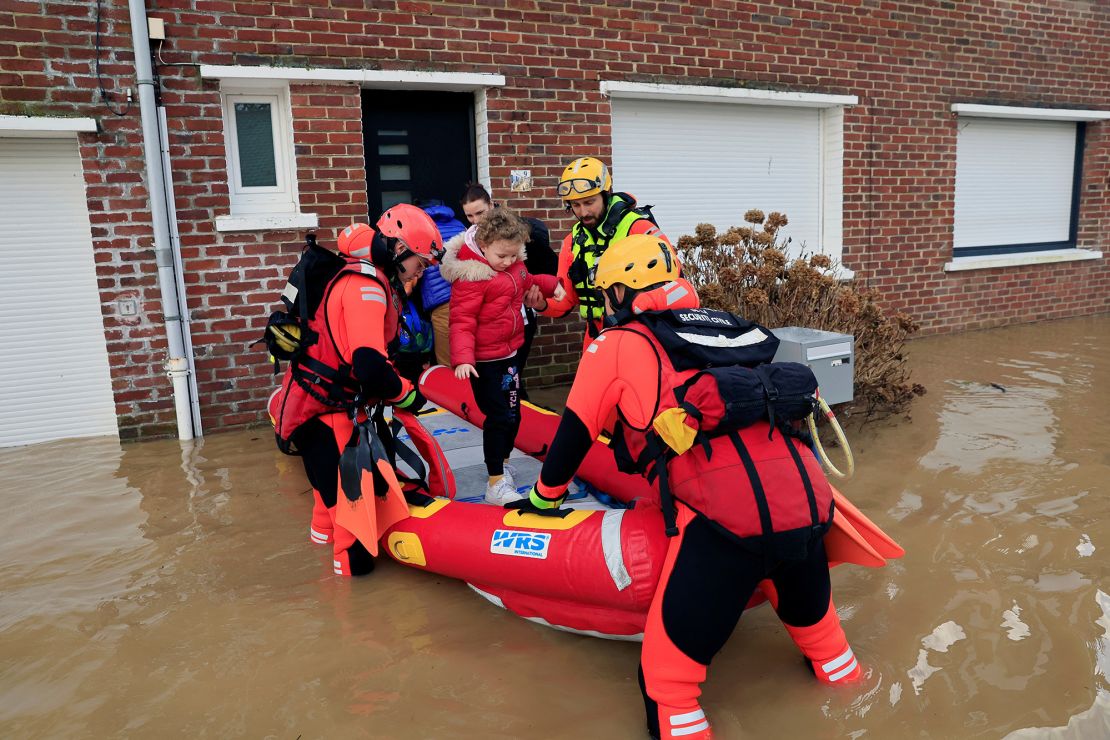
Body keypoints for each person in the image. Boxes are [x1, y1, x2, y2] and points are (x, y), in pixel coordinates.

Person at [514, 234, 861, 739]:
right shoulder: (735, 330)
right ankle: (852, 697)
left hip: (725, 524)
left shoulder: (616, 344)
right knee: (830, 651)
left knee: (667, 685)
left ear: (619, 293)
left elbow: (573, 434)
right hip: (807, 504)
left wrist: (544, 499)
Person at [270, 204, 442, 576]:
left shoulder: (357, 277)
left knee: (329, 512)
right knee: (357, 555)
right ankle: (352, 619)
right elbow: (368, 365)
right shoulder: (367, 286)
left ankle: (325, 571)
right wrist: (408, 394)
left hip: (318, 412)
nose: (423, 270)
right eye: (421, 261)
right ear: (398, 250)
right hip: (329, 420)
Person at [439, 207, 564, 504]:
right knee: (498, 417)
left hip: (508, 354)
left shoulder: (513, 267)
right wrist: (464, 358)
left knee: (513, 413)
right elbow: (462, 322)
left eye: (513, 255)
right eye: (501, 256)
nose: (507, 262)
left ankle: (503, 464)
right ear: (483, 247)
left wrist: (552, 285)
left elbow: (527, 280)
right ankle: (494, 483)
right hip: (483, 362)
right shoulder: (472, 278)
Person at [524, 156, 670, 345]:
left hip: (641, 335)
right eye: (576, 205)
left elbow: (675, 283)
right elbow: (564, 300)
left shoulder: (639, 228)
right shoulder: (572, 242)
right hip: (596, 337)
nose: (583, 212)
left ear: (606, 194)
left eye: (589, 202)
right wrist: (541, 304)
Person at [460, 182, 557, 397]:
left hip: (520, 315)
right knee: (501, 385)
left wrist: (541, 289)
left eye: (480, 213)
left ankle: (518, 416)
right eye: (469, 216)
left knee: (512, 378)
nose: (476, 221)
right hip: (491, 326)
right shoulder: (468, 242)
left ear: (492, 205)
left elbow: (547, 265)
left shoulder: (515, 233)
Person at [418, 202, 468, 368]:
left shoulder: (420, 229)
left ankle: (457, 393)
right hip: (467, 296)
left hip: (441, 303)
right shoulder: (460, 224)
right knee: (469, 354)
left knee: (448, 364)